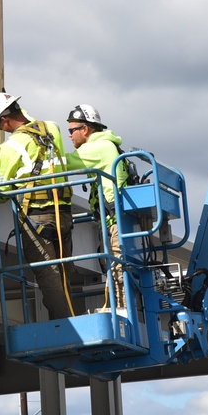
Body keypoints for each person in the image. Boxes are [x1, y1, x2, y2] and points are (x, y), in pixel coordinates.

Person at [0, 92, 77, 320]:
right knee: (65, 274)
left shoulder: (11, 147)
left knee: (49, 277)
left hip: (37, 219)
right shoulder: (53, 128)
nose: (3, 131)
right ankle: (75, 318)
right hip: (64, 213)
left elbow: (1, 193)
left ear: (4, 120)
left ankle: (67, 329)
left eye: (0, 126)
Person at [63, 104, 129, 310]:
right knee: (117, 271)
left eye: (72, 130)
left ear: (85, 129)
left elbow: (63, 163)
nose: (69, 136)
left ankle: (123, 314)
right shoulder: (107, 145)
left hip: (116, 222)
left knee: (118, 271)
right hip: (118, 220)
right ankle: (123, 311)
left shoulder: (98, 147)